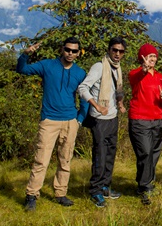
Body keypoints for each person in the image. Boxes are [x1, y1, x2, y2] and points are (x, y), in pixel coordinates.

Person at [16, 37, 89, 211]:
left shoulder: (80, 73)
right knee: (41, 160)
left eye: (74, 51)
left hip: (70, 121)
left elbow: (85, 96)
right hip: (49, 120)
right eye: (67, 50)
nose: (70, 53)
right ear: (62, 49)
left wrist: (80, 119)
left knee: (65, 160)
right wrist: (25, 55)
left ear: (79, 53)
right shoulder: (47, 66)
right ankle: (32, 195)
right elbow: (22, 70)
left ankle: (60, 193)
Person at [78, 37, 127, 208]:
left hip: (112, 118)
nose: (117, 54)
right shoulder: (99, 67)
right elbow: (83, 88)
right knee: (100, 154)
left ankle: (105, 186)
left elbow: (118, 89)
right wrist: (96, 105)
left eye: (121, 51)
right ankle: (96, 190)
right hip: (99, 119)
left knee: (110, 153)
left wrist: (120, 103)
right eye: (115, 50)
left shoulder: (117, 68)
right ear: (109, 50)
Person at [128, 43, 162, 205]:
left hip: (157, 120)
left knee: (154, 153)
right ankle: (145, 186)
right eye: (149, 56)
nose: (152, 59)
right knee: (145, 152)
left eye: (154, 56)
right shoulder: (136, 74)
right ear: (142, 57)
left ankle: (144, 182)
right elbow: (136, 78)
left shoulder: (160, 76)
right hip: (140, 120)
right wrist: (144, 69)